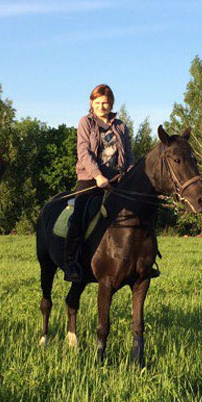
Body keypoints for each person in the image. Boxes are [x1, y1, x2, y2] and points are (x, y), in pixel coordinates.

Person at [64, 84, 134, 281]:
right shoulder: (85, 123)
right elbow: (83, 152)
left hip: (117, 180)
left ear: (111, 104)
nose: (101, 107)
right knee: (81, 216)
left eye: (105, 103)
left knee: (139, 212)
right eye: (97, 103)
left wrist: (128, 175)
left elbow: (129, 155)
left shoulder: (121, 126)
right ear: (91, 103)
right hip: (90, 179)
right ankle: (72, 263)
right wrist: (97, 176)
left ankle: (141, 261)